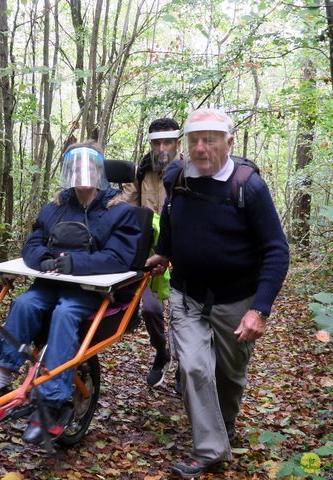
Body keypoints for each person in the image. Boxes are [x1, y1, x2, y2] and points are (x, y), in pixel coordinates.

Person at [146, 108, 289, 478]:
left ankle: (223, 428)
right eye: (194, 140)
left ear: (229, 141)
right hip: (187, 294)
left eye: (209, 139)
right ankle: (209, 449)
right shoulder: (177, 177)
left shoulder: (248, 187)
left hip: (236, 299)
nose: (200, 148)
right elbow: (173, 215)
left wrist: (260, 309)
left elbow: (276, 249)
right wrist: (164, 249)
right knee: (194, 367)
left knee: (230, 376)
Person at [0, 140, 141, 444]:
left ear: (98, 170)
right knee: (25, 303)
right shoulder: (55, 207)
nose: (82, 173)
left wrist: (74, 263)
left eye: (88, 166)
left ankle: (51, 403)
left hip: (89, 292)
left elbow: (120, 257)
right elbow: (33, 243)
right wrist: (42, 259)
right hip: (49, 285)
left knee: (65, 313)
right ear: (68, 171)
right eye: (75, 166)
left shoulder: (119, 210)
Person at [121, 118, 180, 391]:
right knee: (151, 309)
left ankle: (185, 366)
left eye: (167, 141)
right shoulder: (143, 171)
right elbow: (124, 202)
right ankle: (161, 352)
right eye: (156, 142)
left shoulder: (190, 171)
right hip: (151, 253)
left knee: (183, 314)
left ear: (178, 142)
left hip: (183, 252)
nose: (161, 147)